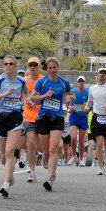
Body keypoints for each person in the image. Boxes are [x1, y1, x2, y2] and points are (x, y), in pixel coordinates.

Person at [0, 55, 27, 197]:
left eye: (11, 64)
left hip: (16, 117)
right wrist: (3, 94)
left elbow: (26, 95)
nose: (8, 66)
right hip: (1, 118)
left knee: (10, 151)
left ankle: (5, 184)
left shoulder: (21, 81)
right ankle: (10, 175)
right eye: (6, 64)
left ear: (15, 66)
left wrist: (28, 101)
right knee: (3, 155)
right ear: (3, 66)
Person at [29, 57, 71, 191]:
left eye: (54, 67)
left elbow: (71, 94)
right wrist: (44, 96)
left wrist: (70, 98)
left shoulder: (64, 83)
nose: (52, 70)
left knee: (54, 148)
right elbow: (32, 98)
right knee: (45, 150)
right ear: (47, 69)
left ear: (58, 67)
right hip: (43, 117)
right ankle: (50, 167)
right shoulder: (42, 82)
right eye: (50, 68)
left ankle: (50, 178)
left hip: (57, 117)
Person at [23, 57, 44, 182]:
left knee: (42, 146)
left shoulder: (43, 80)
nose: (32, 67)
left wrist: (36, 99)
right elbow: (22, 95)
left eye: (35, 65)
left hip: (42, 115)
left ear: (39, 66)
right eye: (30, 65)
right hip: (28, 115)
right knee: (30, 143)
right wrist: (27, 100)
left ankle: (46, 157)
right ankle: (32, 171)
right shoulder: (23, 80)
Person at [68, 75, 89, 167]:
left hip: (83, 118)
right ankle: (73, 156)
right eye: (79, 81)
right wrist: (69, 107)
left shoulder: (88, 92)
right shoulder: (73, 91)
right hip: (74, 116)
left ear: (84, 82)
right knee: (73, 137)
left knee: (81, 140)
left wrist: (87, 108)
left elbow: (91, 104)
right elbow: (67, 103)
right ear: (77, 82)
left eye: (82, 81)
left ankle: (81, 159)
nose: (81, 83)